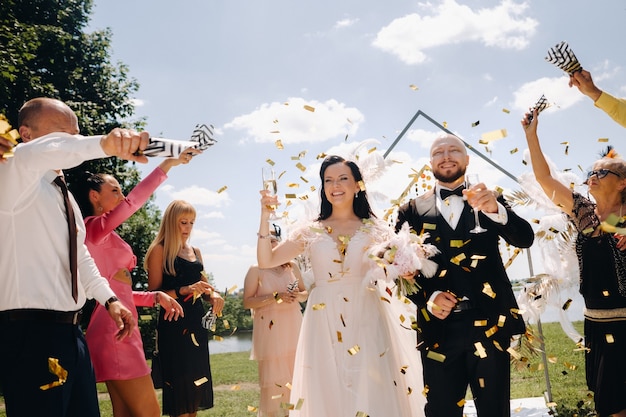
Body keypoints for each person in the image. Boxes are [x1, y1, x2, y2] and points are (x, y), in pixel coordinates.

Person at [0, 97, 141, 417]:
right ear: (26, 134)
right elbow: (41, 152)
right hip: (31, 337)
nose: (72, 144)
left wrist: (109, 300)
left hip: (72, 336)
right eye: (63, 136)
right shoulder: (12, 168)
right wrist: (105, 143)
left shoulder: (64, 195)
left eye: (76, 135)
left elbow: (80, 257)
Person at [257, 155, 425, 416]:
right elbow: (266, 260)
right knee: (327, 387)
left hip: (367, 314)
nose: (335, 185)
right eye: (328, 180)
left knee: (371, 384)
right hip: (322, 319)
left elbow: (401, 268)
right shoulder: (310, 230)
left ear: (357, 185)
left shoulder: (377, 229)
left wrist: (406, 264)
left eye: (342, 178)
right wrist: (265, 216)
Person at [395, 133, 534, 417]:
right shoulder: (410, 210)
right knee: (441, 411)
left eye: (454, 150)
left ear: (467, 159)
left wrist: (496, 210)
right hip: (438, 331)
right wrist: (428, 298)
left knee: (494, 411)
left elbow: (525, 239)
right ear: (430, 162)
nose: (446, 156)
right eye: (438, 152)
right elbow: (396, 269)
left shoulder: (491, 198)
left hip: (491, 324)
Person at [69, 148, 200, 417]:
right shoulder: (93, 227)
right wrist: (167, 165)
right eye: (114, 190)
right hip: (116, 331)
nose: (121, 196)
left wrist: (155, 297)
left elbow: (120, 292)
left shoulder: (103, 236)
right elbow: (134, 202)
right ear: (95, 197)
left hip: (117, 326)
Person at [522, 109, 626, 417]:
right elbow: (544, 178)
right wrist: (531, 136)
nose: (591, 177)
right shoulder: (583, 212)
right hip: (596, 323)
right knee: (610, 407)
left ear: (623, 183)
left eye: (601, 173)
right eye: (591, 173)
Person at [145, 199, 225, 417]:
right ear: (171, 222)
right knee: (180, 392)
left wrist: (214, 295)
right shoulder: (159, 251)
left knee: (195, 390)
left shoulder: (196, 252)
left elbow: (205, 287)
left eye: (191, 223)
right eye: (183, 222)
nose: (188, 228)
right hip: (173, 325)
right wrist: (185, 289)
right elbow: (152, 295)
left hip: (196, 324)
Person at [243, 224, 308, 417]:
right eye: (267, 239)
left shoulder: (292, 266)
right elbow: (247, 302)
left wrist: (298, 295)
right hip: (271, 333)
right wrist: (275, 296)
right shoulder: (256, 270)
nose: (272, 241)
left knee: (297, 376)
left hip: (294, 328)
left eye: (275, 238)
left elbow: (305, 293)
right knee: (275, 383)